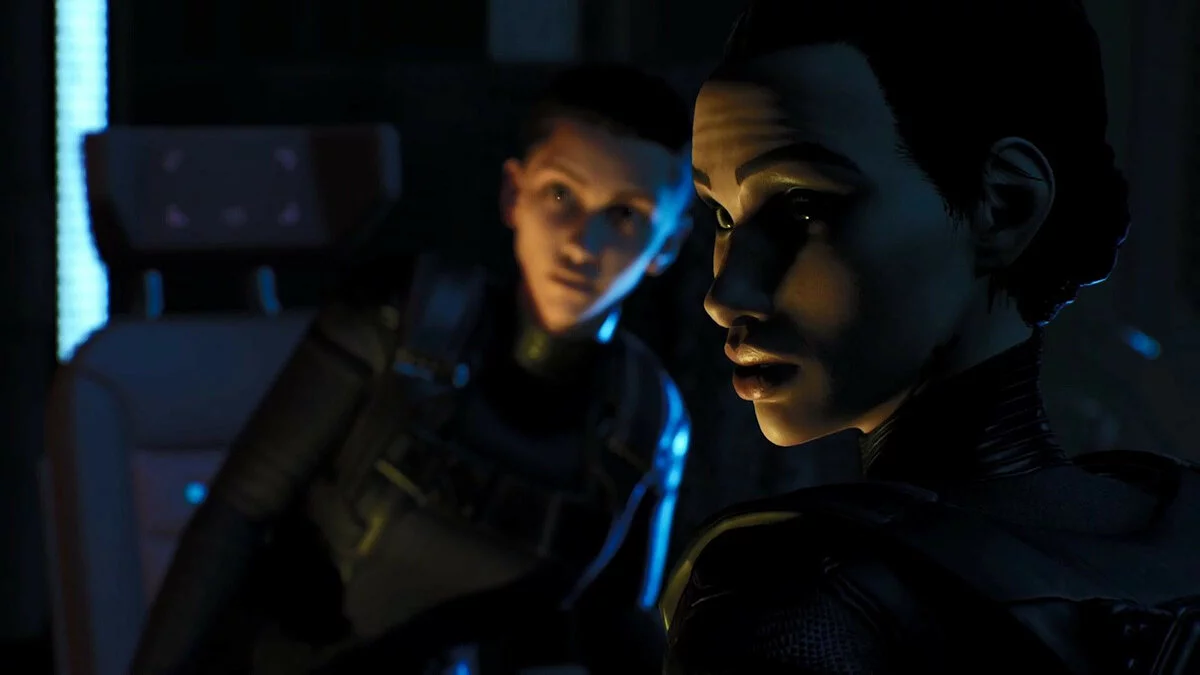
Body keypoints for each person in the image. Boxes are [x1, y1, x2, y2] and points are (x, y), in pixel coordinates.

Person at [660, 1, 1200, 673]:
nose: (725, 293)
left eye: (801, 205)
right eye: (721, 215)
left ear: (1005, 205)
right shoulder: (1178, 519)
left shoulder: (796, 594)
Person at [129, 63, 695, 675]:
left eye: (625, 215)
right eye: (561, 195)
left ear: (667, 244)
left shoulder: (645, 420)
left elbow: (618, 628)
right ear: (514, 193)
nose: (584, 243)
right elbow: (237, 514)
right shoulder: (403, 320)